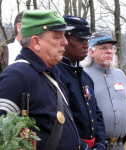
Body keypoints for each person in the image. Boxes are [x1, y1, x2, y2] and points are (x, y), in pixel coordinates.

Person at [0, 9, 84, 150]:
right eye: (58, 37)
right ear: (36, 42)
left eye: (64, 36)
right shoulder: (16, 76)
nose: (65, 42)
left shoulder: (52, 72)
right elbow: (3, 135)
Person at [57, 15, 106, 150]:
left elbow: (97, 113)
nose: (86, 45)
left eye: (87, 40)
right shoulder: (56, 75)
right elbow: (61, 123)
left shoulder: (84, 76)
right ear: (64, 40)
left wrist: (100, 144)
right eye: (80, 40)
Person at [83, 34, 126, 150]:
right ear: (91, 52)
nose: (109, 51)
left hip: (120, 145)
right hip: (97, 145)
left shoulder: (120, 75)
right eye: (103, 48)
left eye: (111, 48)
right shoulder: (83, 75)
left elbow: (124, 104)